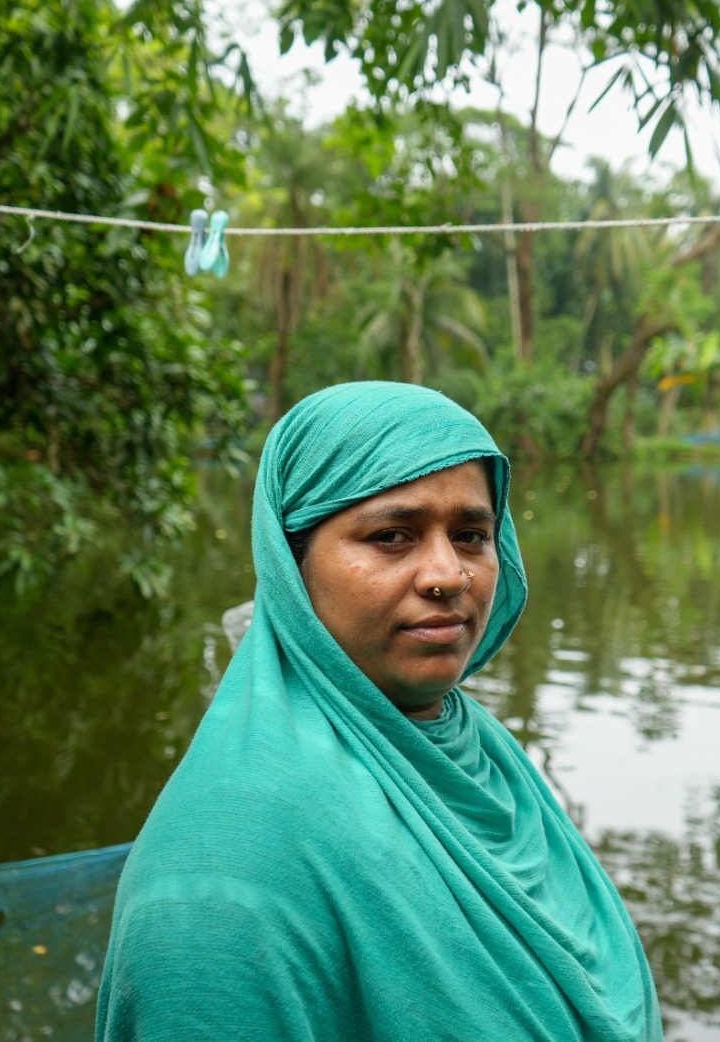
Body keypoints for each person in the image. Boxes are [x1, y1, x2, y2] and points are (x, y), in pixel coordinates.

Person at [95, 382, 661, 1040]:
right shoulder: (222, 874)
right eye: (393, 535)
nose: (449, 575)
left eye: (472, 535)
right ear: (291, 561)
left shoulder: (478, 751)